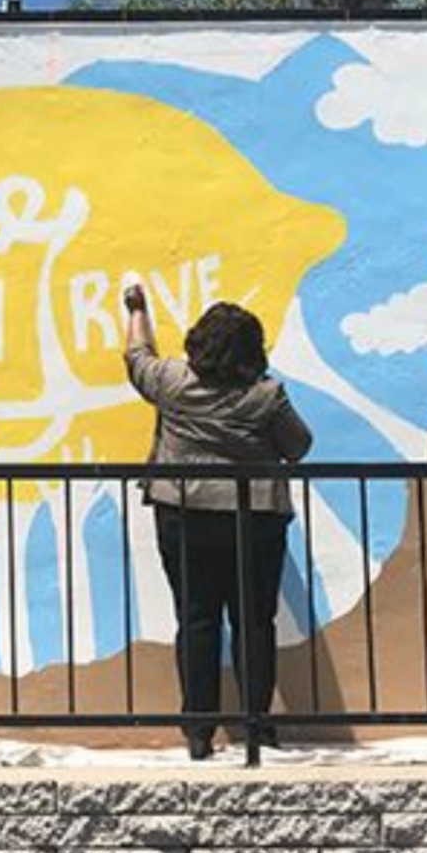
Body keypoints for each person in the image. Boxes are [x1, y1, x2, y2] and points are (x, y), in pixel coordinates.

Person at [122, 281, 312, 760]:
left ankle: (199, 730)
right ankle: (257, 724)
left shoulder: (171, 382)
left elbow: (137, 355)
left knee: (196, 618)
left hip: (183, 515)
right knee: (254, 622)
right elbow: (299, 447)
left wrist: (137, 308)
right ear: (252, 350)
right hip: (256, 519)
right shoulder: (267, 396)